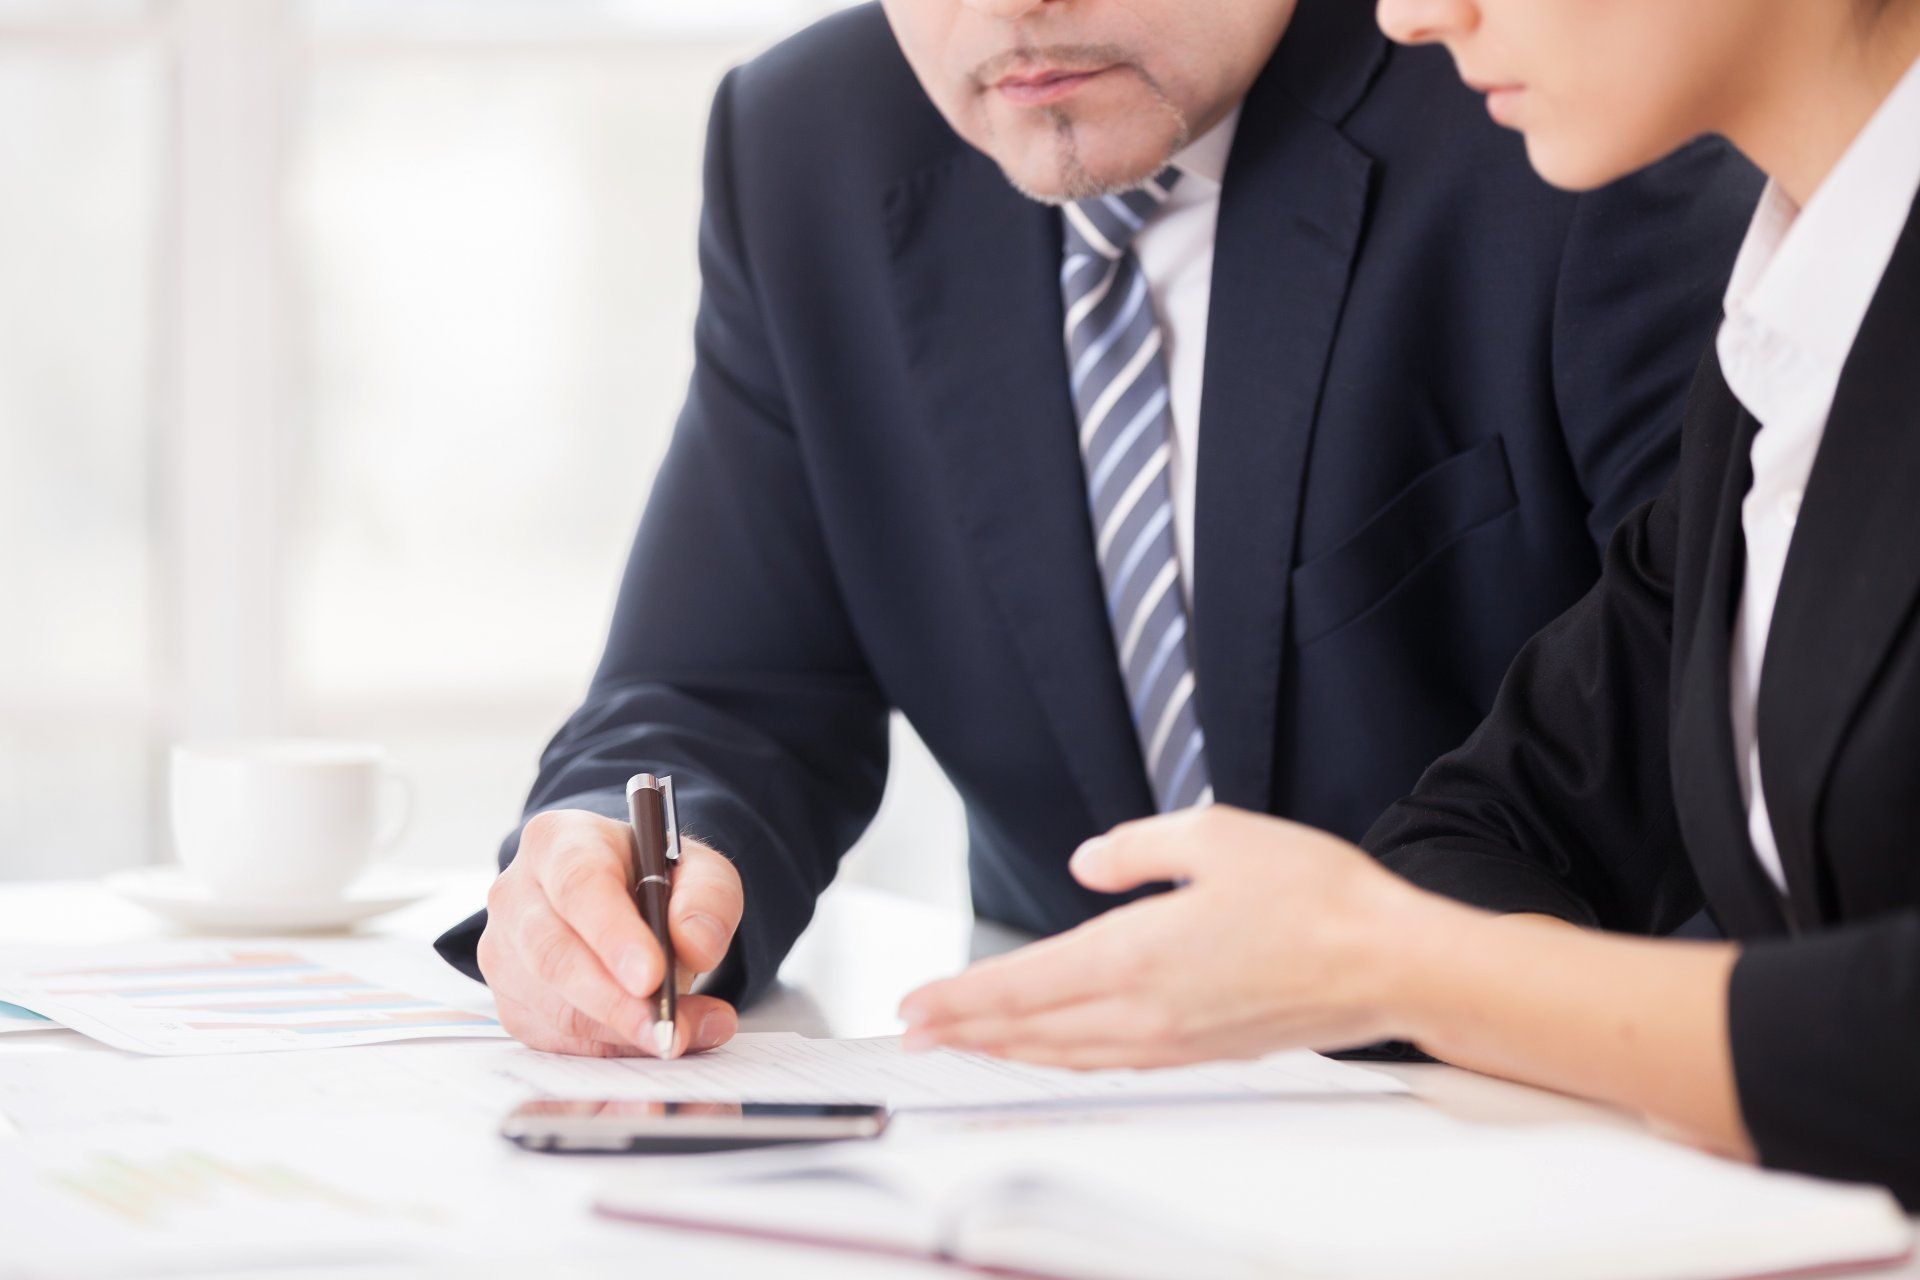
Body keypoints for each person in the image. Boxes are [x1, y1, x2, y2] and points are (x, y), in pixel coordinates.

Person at [436, 0, 1756, 1061]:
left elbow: (1732, 689)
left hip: (1543, 1117)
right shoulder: (811, 142)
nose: (1013, 9)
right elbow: (722, 688)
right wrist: (619, 867)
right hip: (1056, 1128)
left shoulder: (1555, 81)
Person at [899, 0, 1920, 1207]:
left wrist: (1405, 964)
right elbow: (1475, 835)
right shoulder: (1782, 342)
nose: (1410, 12)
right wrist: (1413, 958)